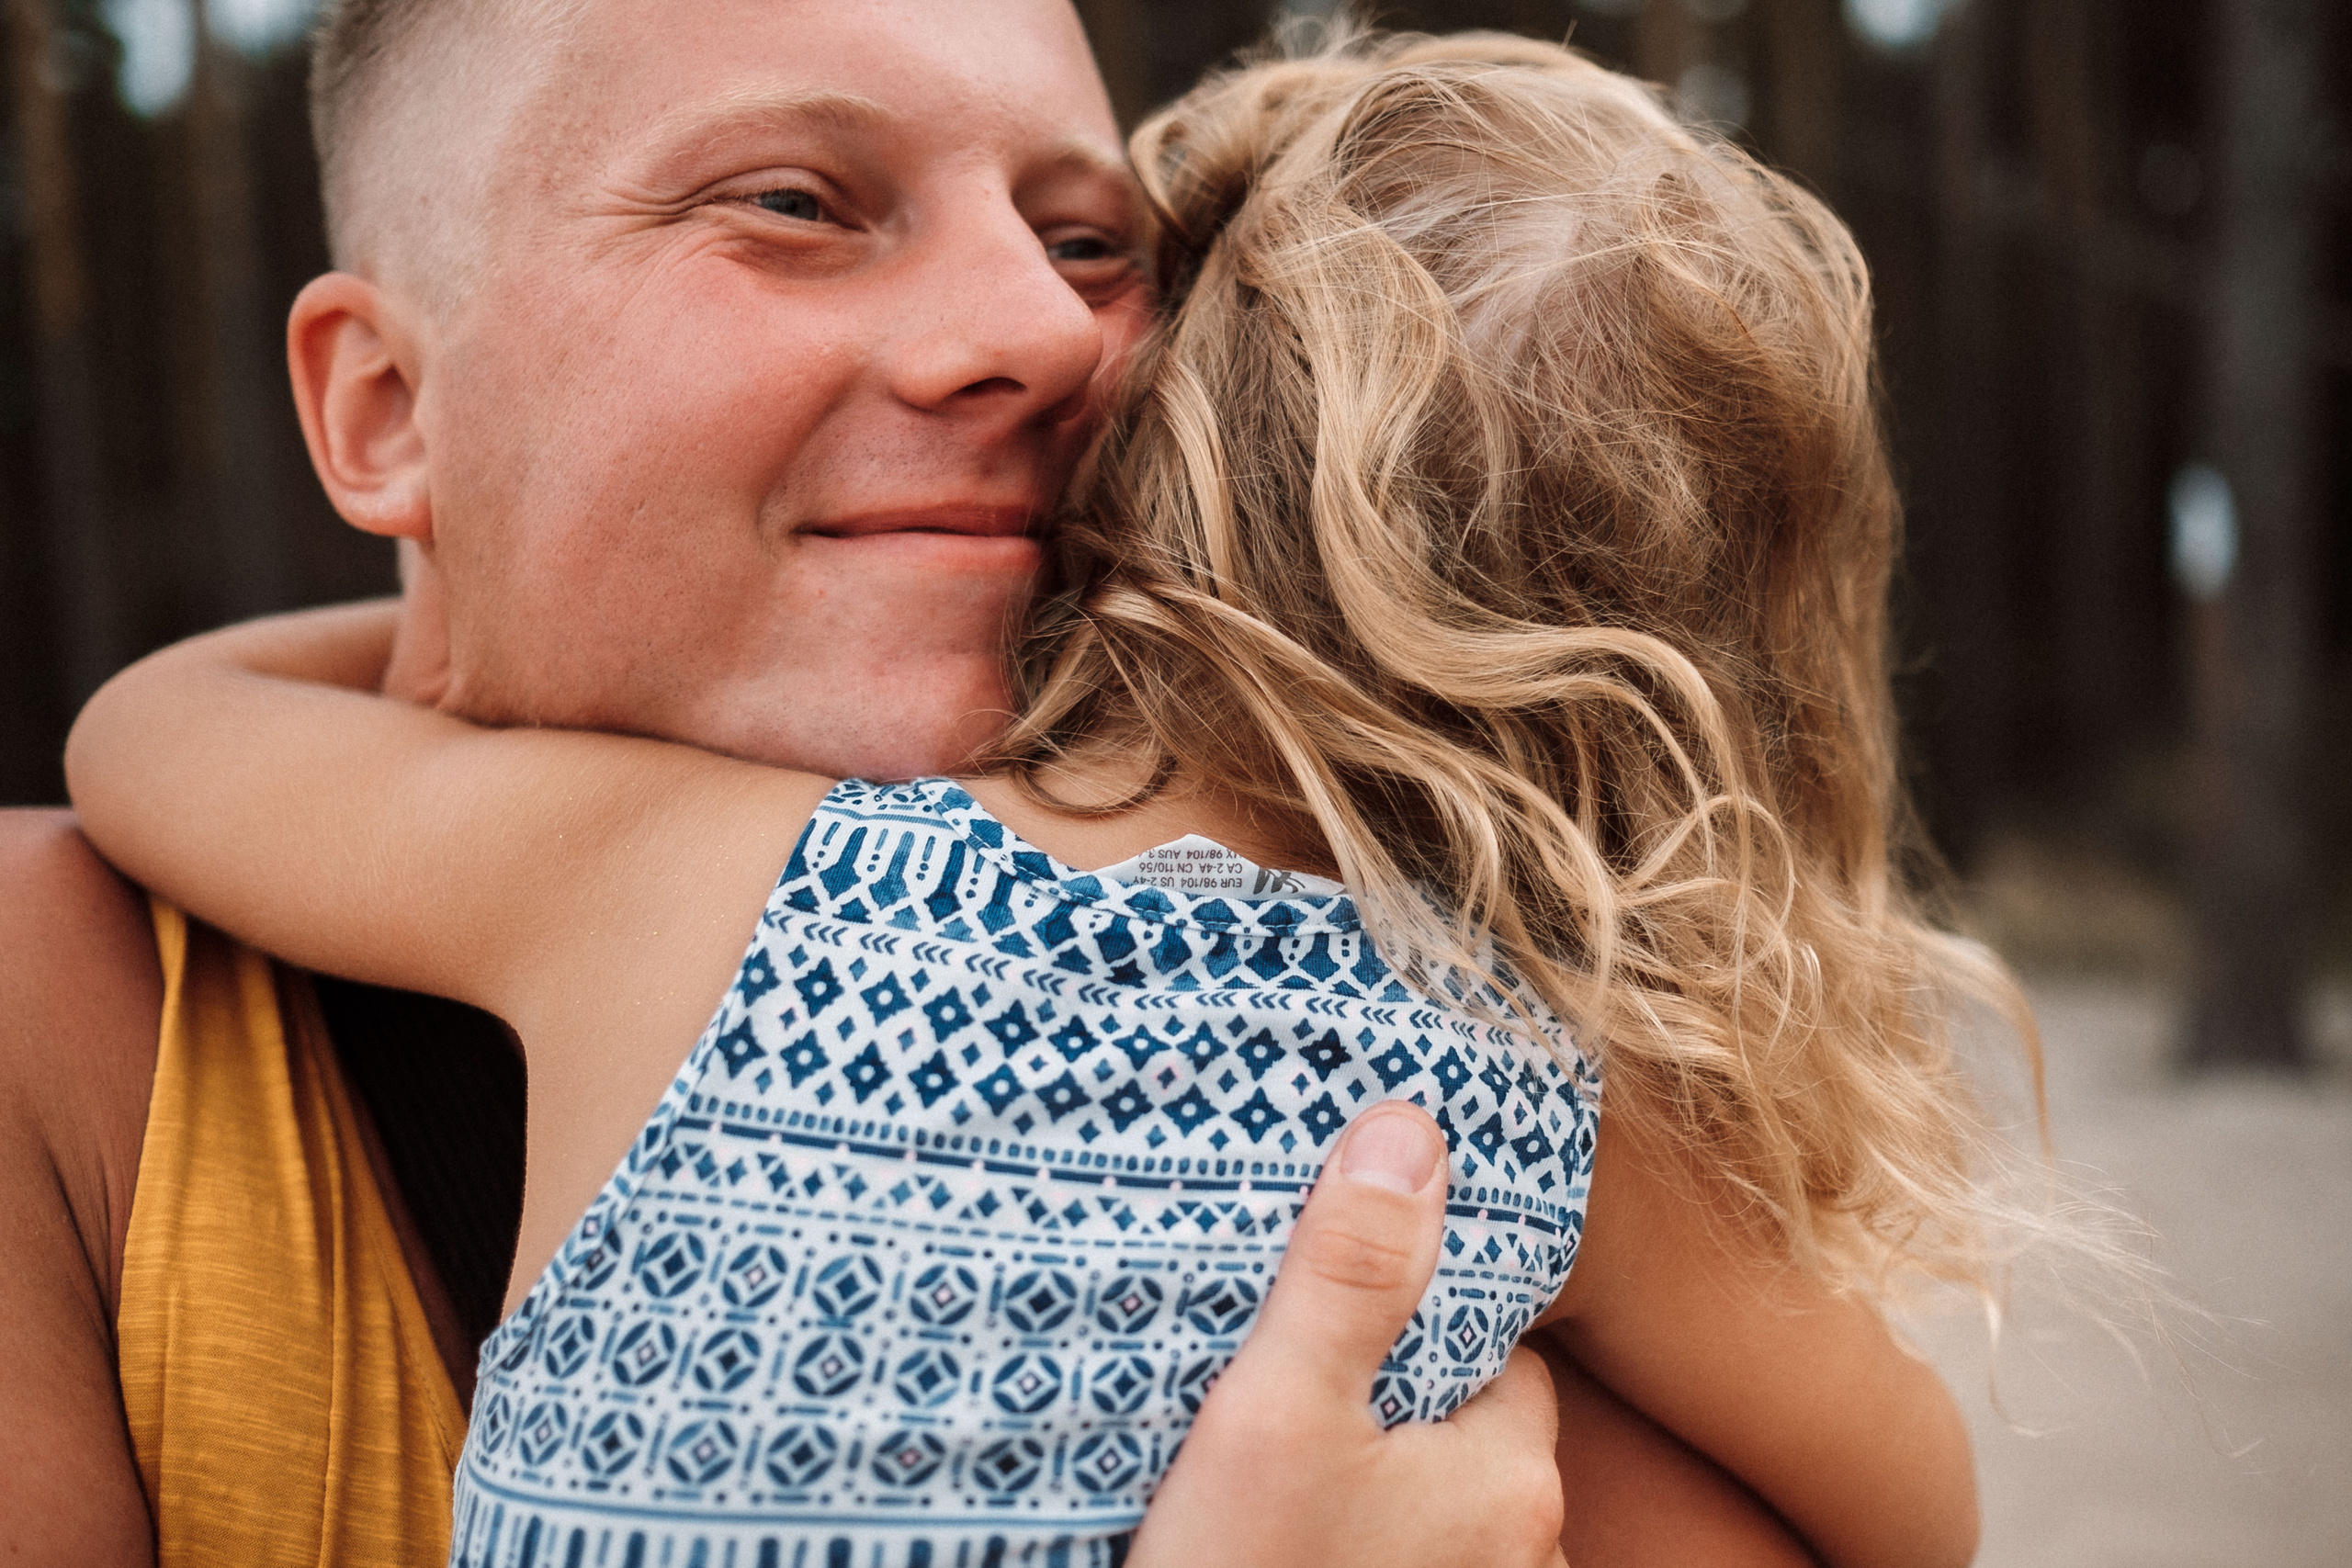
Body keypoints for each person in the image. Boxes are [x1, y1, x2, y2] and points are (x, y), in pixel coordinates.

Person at [70, 25, 2006, 1568]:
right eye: (796, 199)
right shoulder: (1517, 1087)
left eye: (1092, 246)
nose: (1040, 331)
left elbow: (146, 733)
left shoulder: (664, 886)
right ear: (382, 407)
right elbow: (1907, 1501)